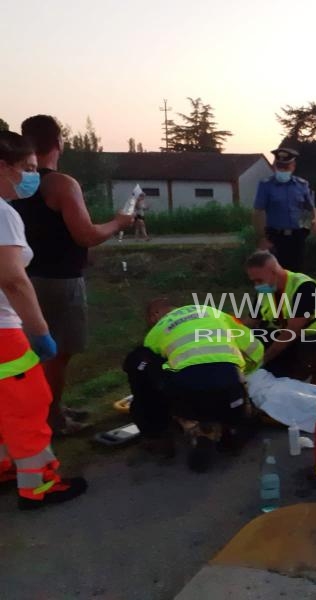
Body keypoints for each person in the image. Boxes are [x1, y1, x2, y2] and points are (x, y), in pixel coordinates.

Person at [13, 115, 134, 435]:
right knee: (57, 354)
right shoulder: (60, 183)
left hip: (23, 279)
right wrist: (119, 222)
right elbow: (87, 235)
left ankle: (46, 409)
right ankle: (53, 419)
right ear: (59, 143)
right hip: (59, 282)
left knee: (30, 354)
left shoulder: (12, 183)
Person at [0, 130, 87, 510]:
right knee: (30, 402)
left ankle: (6, 465)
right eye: (28, 168)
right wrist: (40, 332)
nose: (32, 176)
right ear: (4, 167)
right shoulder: (3, 214)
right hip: (4, 331)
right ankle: (39, 486)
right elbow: (14, 280)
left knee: (3, 403)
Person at [139, 299, 264, 471]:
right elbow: (253, 346)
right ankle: (233, 426)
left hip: (188, 395)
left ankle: (199, 430)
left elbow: (147, 368)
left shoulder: (155, 332)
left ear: (155, 315)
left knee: (175, 385)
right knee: (239, 403)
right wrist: (247, 370)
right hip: (228, 388)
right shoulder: (212, 312)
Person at [245, 250, 316, 384]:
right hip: (290, 335)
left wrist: (263, 359)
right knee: (254, 336)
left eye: (259, 280)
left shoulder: (304, 286)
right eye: (253, 281)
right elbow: (251, 321)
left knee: (310, 344)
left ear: (274, 272)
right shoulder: (265, 290)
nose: (256, 285)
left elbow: (291, 332)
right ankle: (275, 379)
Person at [253, 147, 316, 272]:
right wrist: (262, 238)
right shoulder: (266, 186)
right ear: (275, 166)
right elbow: (258, 212)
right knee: (275, 274)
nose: (282, 170)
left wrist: (315, 220)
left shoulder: (302, 185)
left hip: (297, 236)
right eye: (279, 166)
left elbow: (311, 208)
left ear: (293, 166)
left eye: (286, 167)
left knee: (296, 273)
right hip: (275, 237)